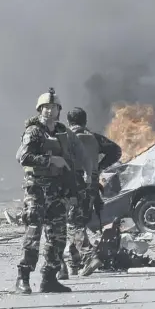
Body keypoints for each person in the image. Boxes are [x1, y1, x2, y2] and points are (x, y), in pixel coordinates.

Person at [14, 88, 77, 294]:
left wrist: (72, 190)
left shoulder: (61, 132)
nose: (49, 111)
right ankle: (23, 278)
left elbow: (69, 161)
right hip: (37, 190)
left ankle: (49, 278)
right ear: (40, 109)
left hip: (56, 190)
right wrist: (50, 160)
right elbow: (23, 157)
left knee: (58, 236)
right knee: (33, 234)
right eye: (46, 107)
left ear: (59, 110)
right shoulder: (34, 131)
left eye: (53, 107)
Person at [58, 106, 122, 279]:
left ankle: (89, 256)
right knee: (79, 222)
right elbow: (116, 151)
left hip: (73, 185)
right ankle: (74, 265)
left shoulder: (65, 138)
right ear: (85, 121)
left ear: (69, 122)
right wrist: (98, 168)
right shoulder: (94, 138)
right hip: (92, 185)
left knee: (73, 224)